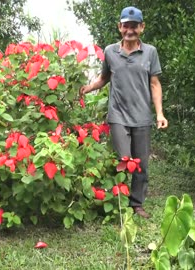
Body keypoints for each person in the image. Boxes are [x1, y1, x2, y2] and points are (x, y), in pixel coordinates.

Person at [80, 6, 168, 218]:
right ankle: (115, 196)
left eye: (134, 26)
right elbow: (104, 78)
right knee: (123, 158)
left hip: (142, 117)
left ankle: (136, 204)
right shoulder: (110, 51)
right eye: (126, 26)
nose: (130, 30)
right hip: (118, 115)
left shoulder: (150, 52)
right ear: (120, 27)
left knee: (141, 164)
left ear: (142, 27)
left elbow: (155, 84)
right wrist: (88, 88)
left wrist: (160, 114)